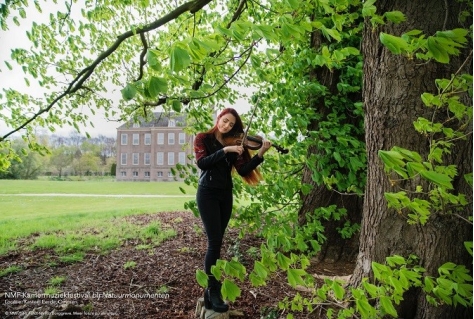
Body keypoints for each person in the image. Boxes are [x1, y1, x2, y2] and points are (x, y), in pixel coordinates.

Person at [194, 107, 271, 313]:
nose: (226, 125)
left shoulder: (235, 143)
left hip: (225, 195)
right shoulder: (203, 138)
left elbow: (244, 170)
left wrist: (260, 153)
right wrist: (225, 151)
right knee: (214, 242)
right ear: (219, 118)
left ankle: (211, 291)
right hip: (207, 194)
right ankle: (213, 290)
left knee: (219, 241)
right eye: (225, 120)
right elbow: (202, 163)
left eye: (231, 124)